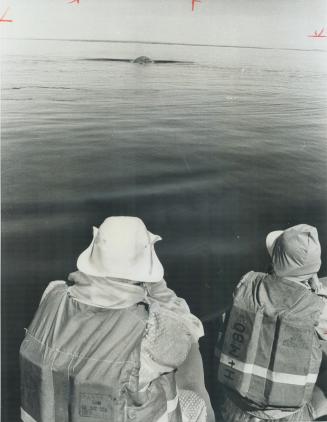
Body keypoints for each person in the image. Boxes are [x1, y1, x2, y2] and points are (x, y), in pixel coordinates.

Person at [20, 216, 215, 422]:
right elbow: (189, 328)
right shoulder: (152, 334)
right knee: (196, 400)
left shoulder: (52, 294)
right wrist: (156, 285)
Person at [215, 224, 327, 421]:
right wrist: (316, 290)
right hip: (288, 415)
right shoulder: (318, 309)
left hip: (237, 406)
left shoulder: (246, 284)